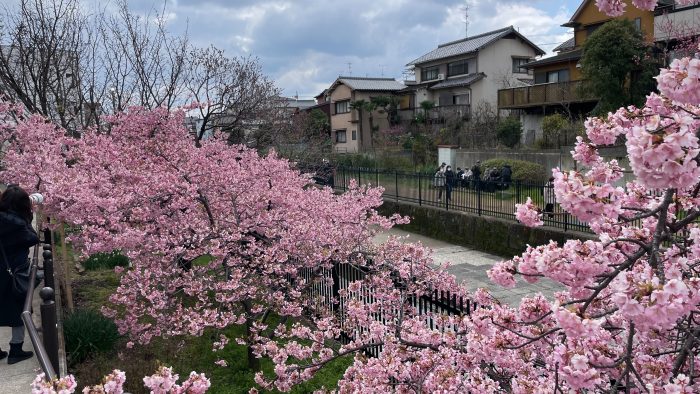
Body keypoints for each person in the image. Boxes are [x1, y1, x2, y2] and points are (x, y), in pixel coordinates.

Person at [0, 185, 39, 364]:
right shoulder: (18, 224)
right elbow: (33, 238)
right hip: (14, 273)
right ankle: (16, 349)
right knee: (19, 309)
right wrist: (27, 218)